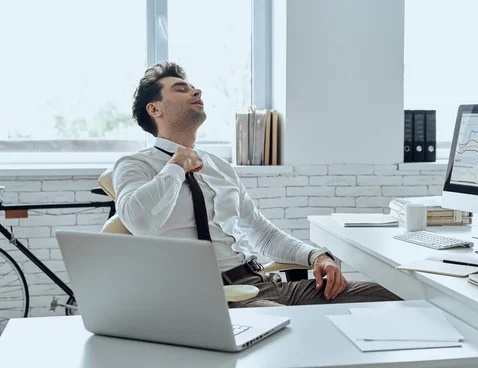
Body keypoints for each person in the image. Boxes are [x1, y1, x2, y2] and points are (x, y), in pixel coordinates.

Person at [113, 62, 401, 307]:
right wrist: (176, 166)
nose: (196, 91)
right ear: (154, 109)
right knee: (293, 331)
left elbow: (262, 234)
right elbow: (139, 220)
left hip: (263, 283)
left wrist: (316, 255)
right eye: (181, 89)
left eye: (192, 87)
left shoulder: (219, 167)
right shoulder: (135, 165)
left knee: (397, 297)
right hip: (212, 297)